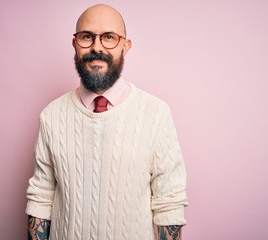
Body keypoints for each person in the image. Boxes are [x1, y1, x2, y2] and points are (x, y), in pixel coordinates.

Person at [26, 4, 188, 240]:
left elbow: (169, 204)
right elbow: (41, 197)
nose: (96, 47)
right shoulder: (51, 115)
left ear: (125, 46)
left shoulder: (156, 113)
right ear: (75, 44)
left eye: (109, 37)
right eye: (87, 37)